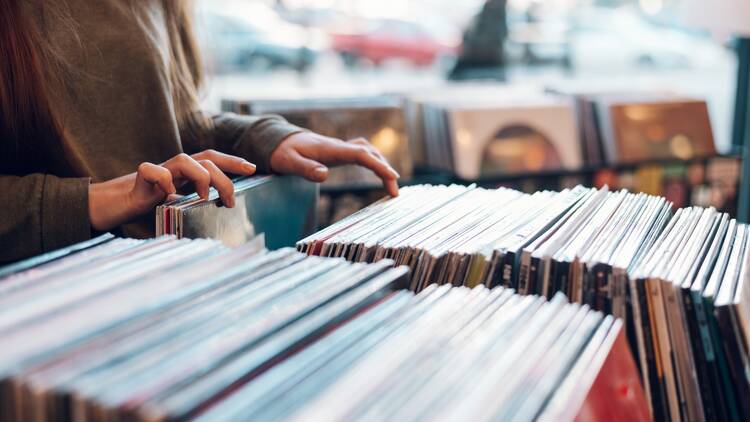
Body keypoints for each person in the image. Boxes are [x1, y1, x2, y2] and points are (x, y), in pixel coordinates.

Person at [0, 0, 400, 263]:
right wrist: (93, 200)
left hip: (163, 267)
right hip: (56, 289)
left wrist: (269, 140)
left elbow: (172, 119)